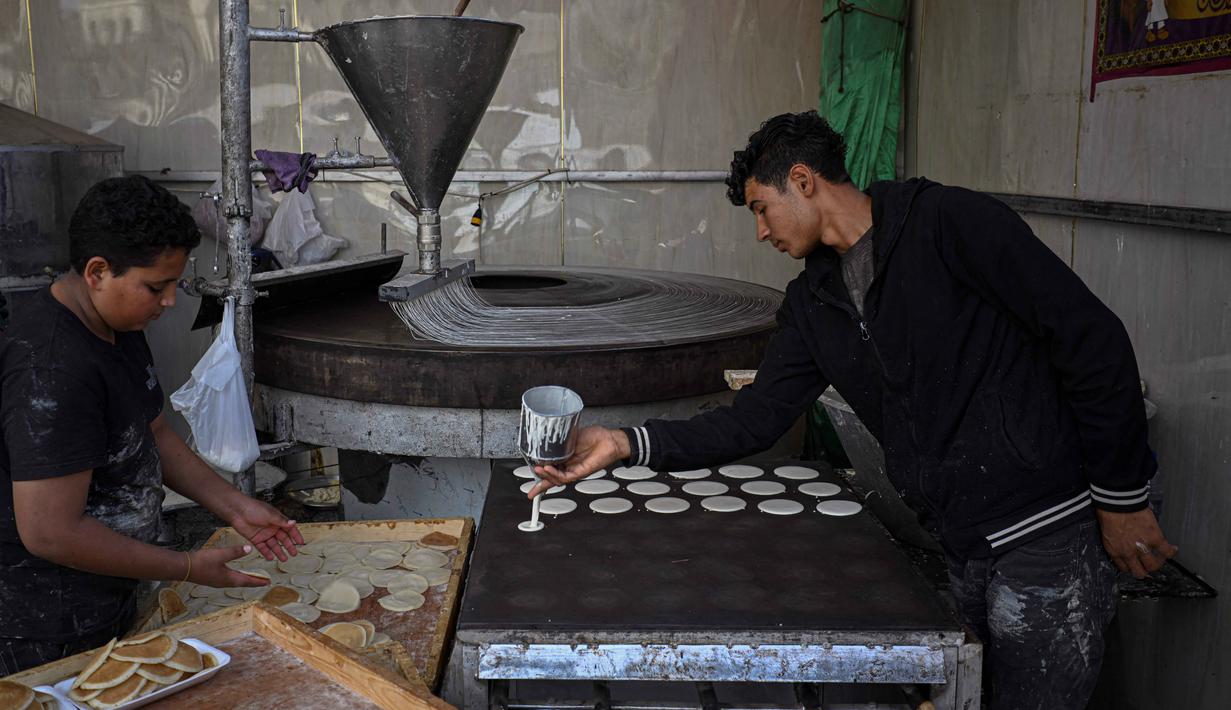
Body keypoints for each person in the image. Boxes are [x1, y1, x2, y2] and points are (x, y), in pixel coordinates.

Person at [529, 111, 1176, 709]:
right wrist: (623, 442)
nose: (760, 232)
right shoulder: (815, 303)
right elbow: (754, 418)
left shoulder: (949, 226)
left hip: (1045, 527)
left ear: (803, 181)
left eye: (761, 209)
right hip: (961, 541)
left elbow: (1090, 341)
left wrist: (1120, 498)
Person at [0, 176, 302, 675]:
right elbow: (49, 532)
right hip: (43, 623)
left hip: (106, 592)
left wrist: (235, 506)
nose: (167, 303)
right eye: (155, 287)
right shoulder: (52, 369)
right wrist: (186, 568)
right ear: (98, 271)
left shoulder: (115, 323)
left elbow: (152, 432)